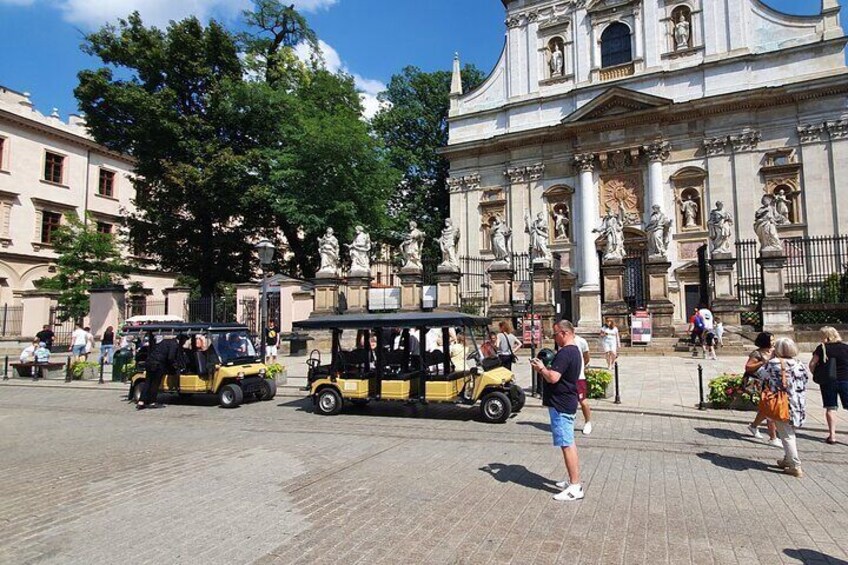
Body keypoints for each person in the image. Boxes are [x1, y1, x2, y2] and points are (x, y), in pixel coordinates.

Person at [530, 320, 584, 501]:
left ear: (564, 333)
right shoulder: (575, 350)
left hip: (561, 404)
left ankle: (575, 486)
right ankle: (573, 481)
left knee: (567, 444)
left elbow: (553, 377)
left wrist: (541, 368)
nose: (554, 338)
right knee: (569, 443)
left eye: (555, 334)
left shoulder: (565, 353)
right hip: (566, 401)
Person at [755, 338, 810, 478]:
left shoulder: (773, 364)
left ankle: (795, 465)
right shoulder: (799, 364)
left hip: (781, 404)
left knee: (787, 436)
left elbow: (760, 375)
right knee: (790, 432)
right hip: (798, 403)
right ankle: (787, 459)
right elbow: (805, 380)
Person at [809, 327, 848, 445]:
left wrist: (816, 374)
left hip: (828, 381)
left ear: (825, 336)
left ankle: (832, 436)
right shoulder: (845, 347)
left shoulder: (822, 348)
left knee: (831, 407)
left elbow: (812, 364)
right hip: (845, 379)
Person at [746, 332, 780, 447]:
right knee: (770, 409)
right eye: (771, 340)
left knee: (766, 409)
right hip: (761, 383)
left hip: (772, 383)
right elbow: (748, 367)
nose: (773, 342)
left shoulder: (775, 351)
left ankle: (753, 426)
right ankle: (773, 437)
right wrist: (762, 362)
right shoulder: (757, 353)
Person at [137, 335, 189, 410]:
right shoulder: (174, 345)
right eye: (184, 341)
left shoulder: (165, 341)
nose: (184, 343)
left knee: (148, 382)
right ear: (181, 340)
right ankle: (152, 402)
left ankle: (141, 402)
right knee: (155, 383)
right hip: (158, 364)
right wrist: (175, 366)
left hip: (149, 362)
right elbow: (170, 358)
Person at [573, 332, 593, 435]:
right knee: (569, 400)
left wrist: (580, 367)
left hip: (579, 377)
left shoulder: (581, 341)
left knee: (583, 401)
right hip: (566, 377)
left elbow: (586, 357)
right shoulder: (559, 340)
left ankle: (588, 422)